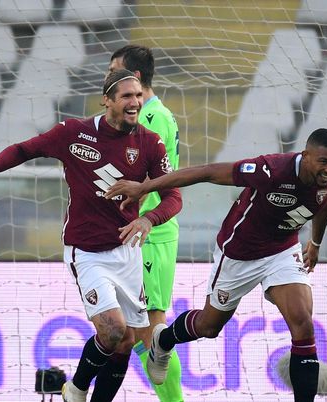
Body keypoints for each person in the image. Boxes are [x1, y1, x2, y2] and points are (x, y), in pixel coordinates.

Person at [0, 69, 182, 402]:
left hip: (127, 251)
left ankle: (86, 395)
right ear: (107, 101)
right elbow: (24, 149)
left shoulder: (149, 142)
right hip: (86, 250)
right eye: (127, 97)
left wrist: (148, 219)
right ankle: (76, 387)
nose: (135, 103)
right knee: (114, 329)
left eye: (138, 96)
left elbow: (174, 197)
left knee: (127, 339)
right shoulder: (74, 133)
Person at [105, 128, 327, 402]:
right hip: (239, 253)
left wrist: (314, 243)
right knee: (209, 327)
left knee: (303, 323)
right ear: (306, 155)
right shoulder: (271, 170)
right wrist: (144, 187)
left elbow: (326, 204)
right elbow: (207, 171)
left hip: (282, 250)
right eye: (324, 162)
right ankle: (164, 339)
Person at [108, 44, 183, 402]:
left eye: (114, 71)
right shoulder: (154, 114)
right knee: (136, 333)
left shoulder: (151, 119)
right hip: (142, 235)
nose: (107, 77)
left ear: (134, 79)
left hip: (151, 235)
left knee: (152, 332)